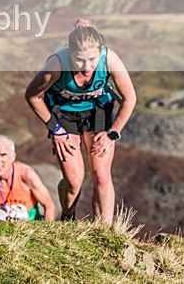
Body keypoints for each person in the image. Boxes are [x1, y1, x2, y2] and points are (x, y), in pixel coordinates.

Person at [25, 19, 136, 224]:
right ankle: (68, 217)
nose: (86, 67)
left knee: (101, 176)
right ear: (70, 53)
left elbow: (130, 98)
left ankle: (104, 232)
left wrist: (113, 133)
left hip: (98, 113)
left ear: (100, 51)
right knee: (74, 181)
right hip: (64, 116)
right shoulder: (56, 66)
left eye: (92, 60)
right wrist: (55, 129)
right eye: (79, 60)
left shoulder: (110, 59)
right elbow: (32, 96)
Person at [0, 135, 55, 221]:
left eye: (3, 155)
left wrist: (44, 233)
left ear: (12, 156)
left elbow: (49, 206)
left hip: (31, 227)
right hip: (0, 229)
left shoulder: (27, 175)